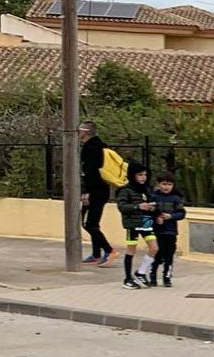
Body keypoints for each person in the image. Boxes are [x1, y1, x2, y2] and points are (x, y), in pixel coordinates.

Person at [115, 161, 158, 289]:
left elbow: (152, 203)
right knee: (131, 249)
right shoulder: (126, 190)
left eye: (145, 175)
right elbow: (122, 207)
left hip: (146, 222)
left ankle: (141, 272)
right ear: (133, 175)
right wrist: (137, 206)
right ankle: (127, 278)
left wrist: (154, 209)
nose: (143, 177)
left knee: (154, 248)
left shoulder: (146, 190)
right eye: (140, 175)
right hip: (133, 223)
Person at [77, 122, 113, 266]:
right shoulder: (101, 145)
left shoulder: (89, 148)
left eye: (79, 130)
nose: (77, 133)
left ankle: (108, 250)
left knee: (89, 224)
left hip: (95, 191)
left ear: (85, 132)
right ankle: (96, 254)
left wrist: (86, 192)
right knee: (92, 223)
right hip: (102, 189)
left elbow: (90, 172)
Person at [149, 170, 187, 289]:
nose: (166, 187)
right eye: (164, 184)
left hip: (171, 231)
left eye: (169, 184)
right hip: (157, 230)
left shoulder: (176, 198)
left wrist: (171, 216)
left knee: (169, 254)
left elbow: (181, 213)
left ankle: (167, 276)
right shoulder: (153, 197)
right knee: (158, 254)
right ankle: (153, 275)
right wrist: (156, 218)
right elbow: (149, 211)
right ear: (158, 184)